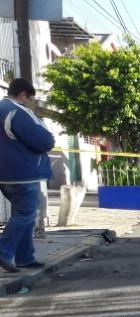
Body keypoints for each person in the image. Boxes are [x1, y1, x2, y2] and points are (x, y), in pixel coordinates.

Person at [0, 78, 55, 273]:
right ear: (23, 95)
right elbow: (44, 141)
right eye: (30, 99)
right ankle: (3, 250)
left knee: (23, 214)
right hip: (23, 174)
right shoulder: (18, 111)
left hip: (5, 175)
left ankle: (24, 257)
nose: (31, 103)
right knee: (26, 213)